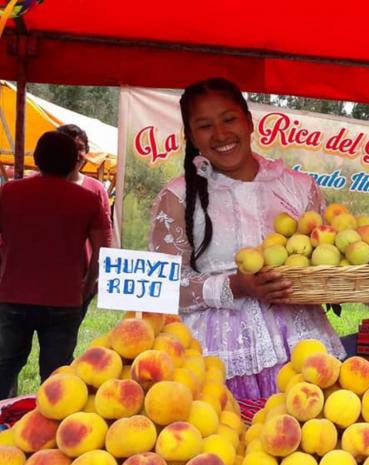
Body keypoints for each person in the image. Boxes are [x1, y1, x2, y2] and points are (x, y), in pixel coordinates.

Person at [149, 77, 344, 400]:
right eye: (205, 126)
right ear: (191, 136)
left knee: (306, 438)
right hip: (215, 356)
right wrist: (235, 286)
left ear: (249, 121)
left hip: (301, 347)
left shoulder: (296, 186)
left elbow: (326, 264)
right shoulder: (177, 196)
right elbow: (162, 288)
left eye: (229, 119)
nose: (221, 134)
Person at [0, 131, 112, 398]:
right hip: (64, 299)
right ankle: (49, 431)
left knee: (4, 366)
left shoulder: (9, 192)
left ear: (37, 159)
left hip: (13, 295)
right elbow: (103, 248)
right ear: (75, 161)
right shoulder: (86, 200)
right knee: (57, 374)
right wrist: (88, 283)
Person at [56, 124, 114, 318]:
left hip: (80, 279)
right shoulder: (39, 185)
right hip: (41, 277)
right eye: (70, 147)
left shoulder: (96, 189)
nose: (76, 153)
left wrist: (91, 280)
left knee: (65, 339)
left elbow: (105, 237)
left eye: (80, 148)